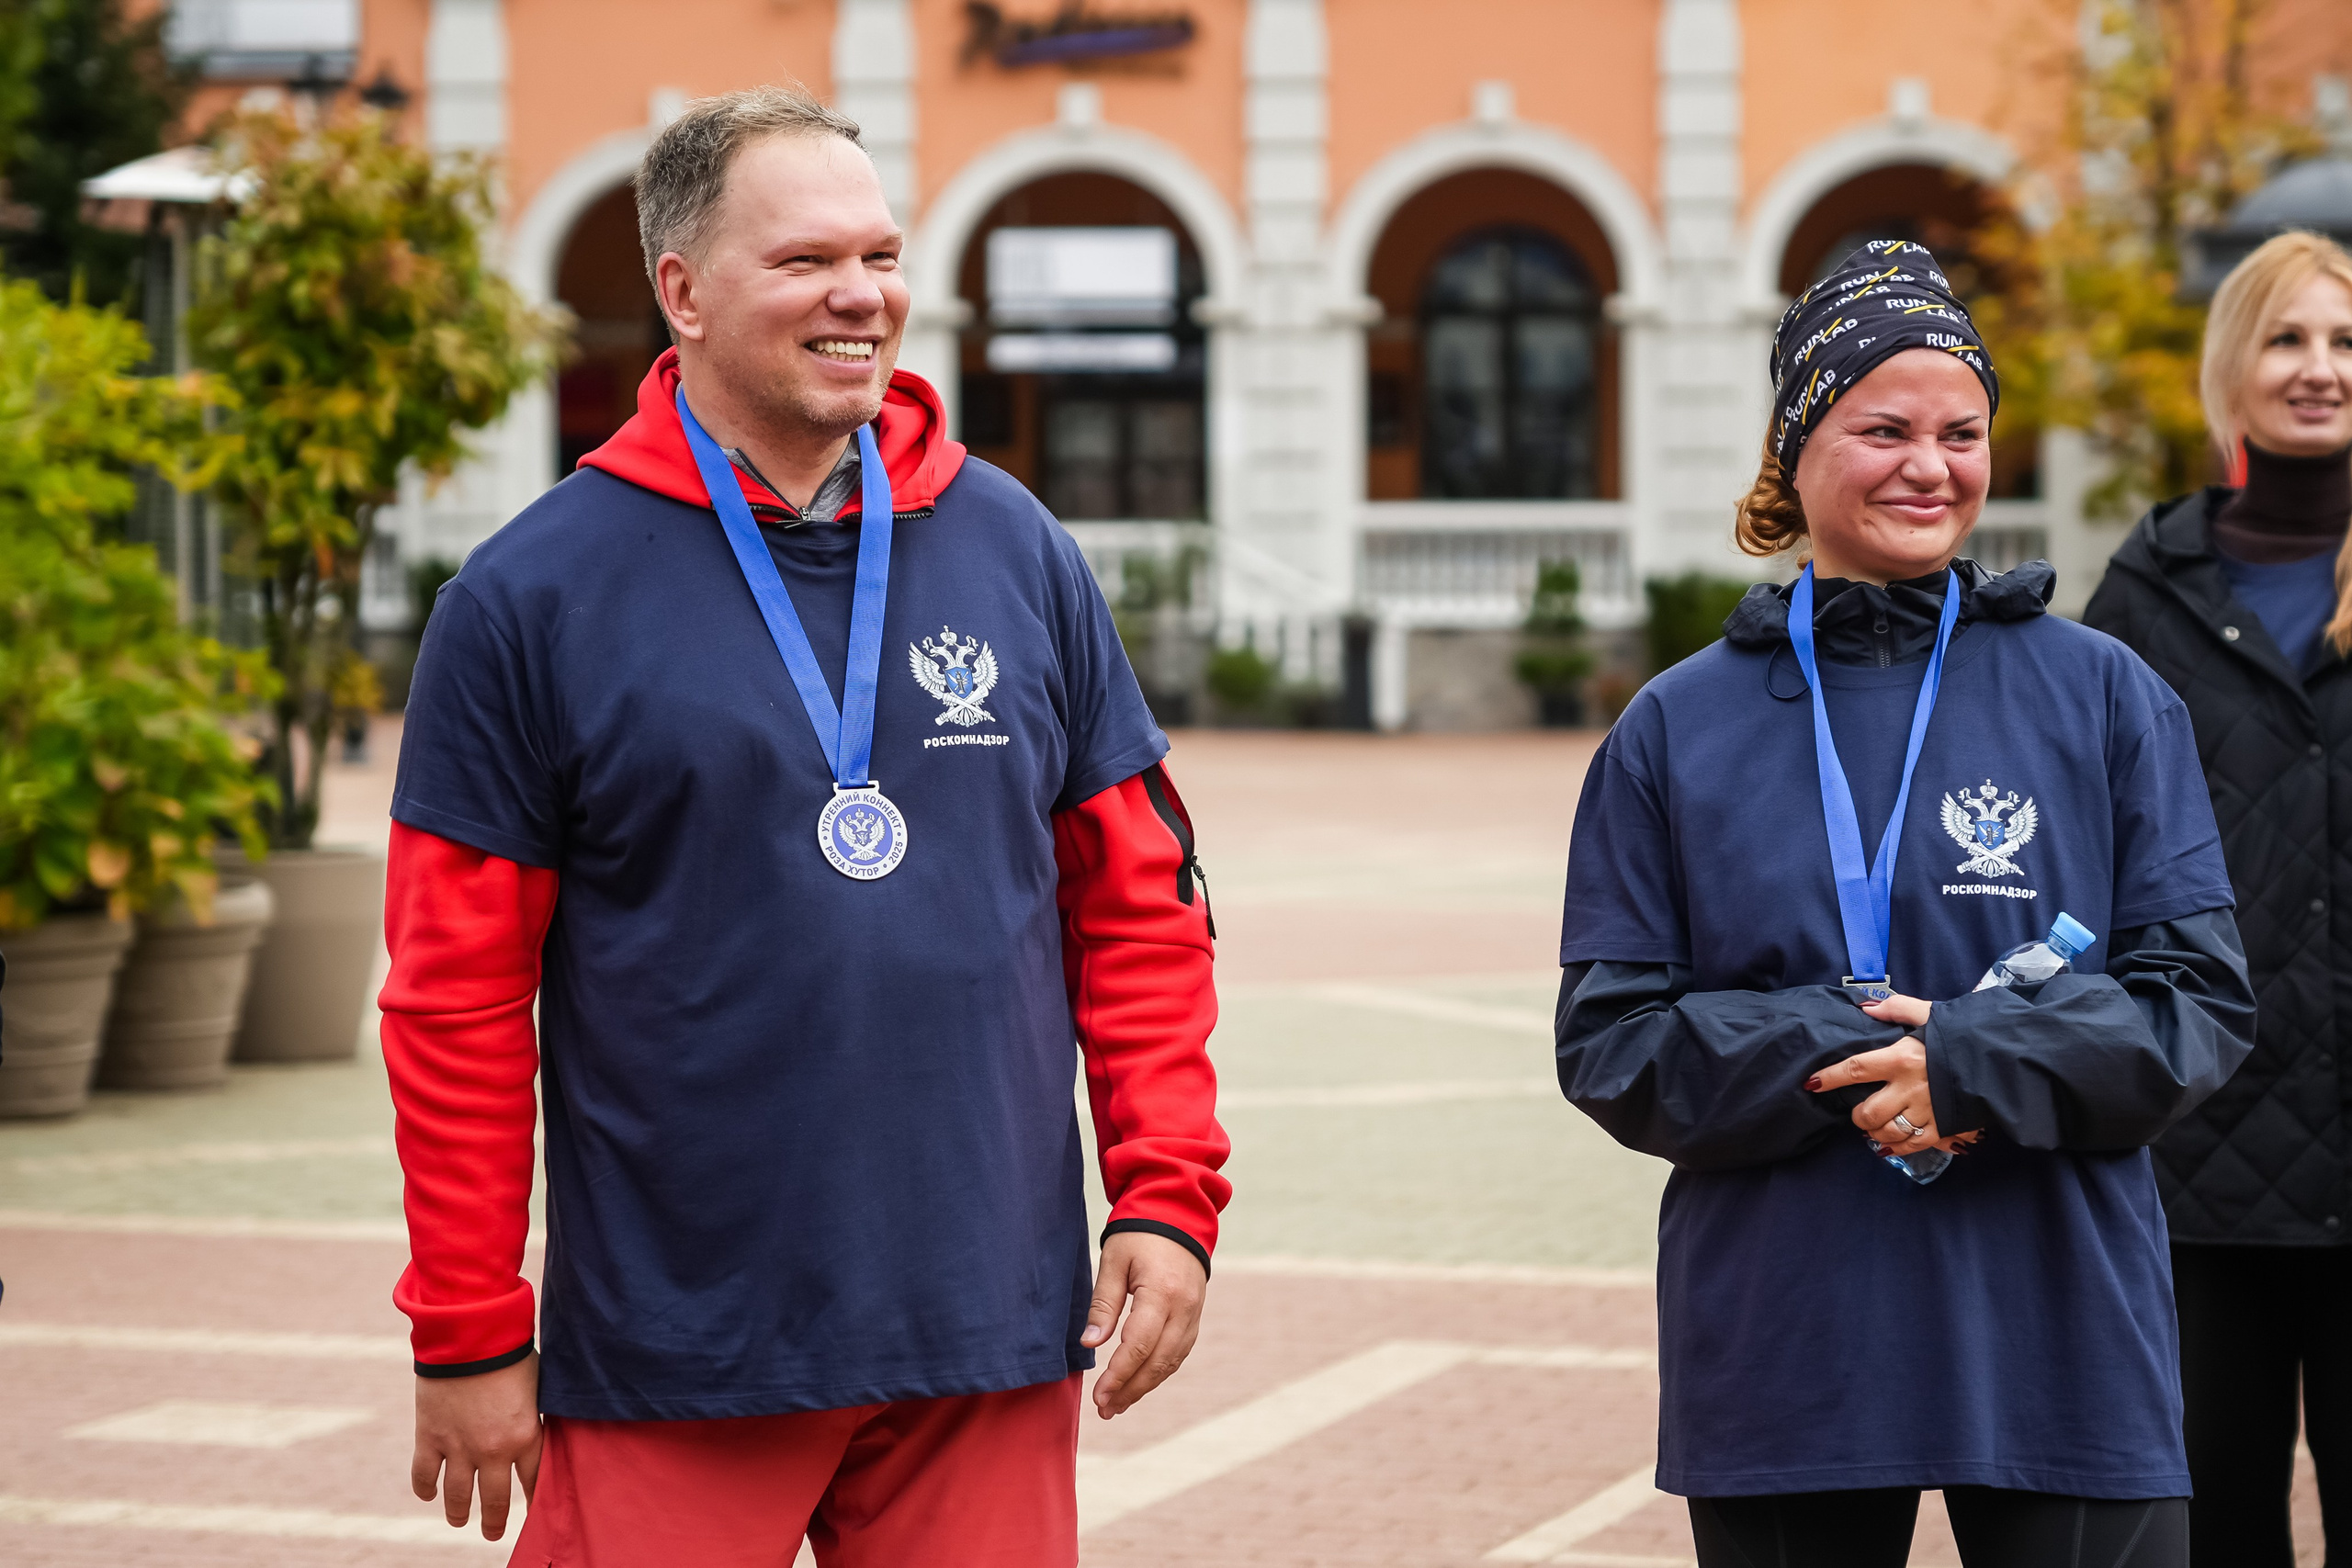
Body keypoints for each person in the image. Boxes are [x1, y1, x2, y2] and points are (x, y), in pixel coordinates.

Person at [379, 85, 1229, 1567]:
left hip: (986, 1327)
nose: (864, 296)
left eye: (881, 254)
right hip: (682, 1348)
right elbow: (453, 1000)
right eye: (807, 262)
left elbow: (1140, 912)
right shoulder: (527, 600)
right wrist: (466, 1328)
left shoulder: (1014, 545)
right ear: (682, 291)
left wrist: (1166, 1195)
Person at [1554, 241, 2256, 1568]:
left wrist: (1974, 1065)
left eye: (1963, 431)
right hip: (1786, 1337)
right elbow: (1611, 1042)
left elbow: (2200, 1005)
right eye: (1884, 428)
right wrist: (1846, 1049)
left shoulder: (2103, 696)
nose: (1930, 466)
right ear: (1798, 444)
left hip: (2061, 1331)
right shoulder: (1674, 728)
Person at [2084, 229, 2352, 1565]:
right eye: (2287, 338)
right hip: (2196, 1164)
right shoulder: (2145, 595)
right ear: (2229, 367)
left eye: (2345, 341)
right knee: (2206, 1532)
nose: (2318, 369)